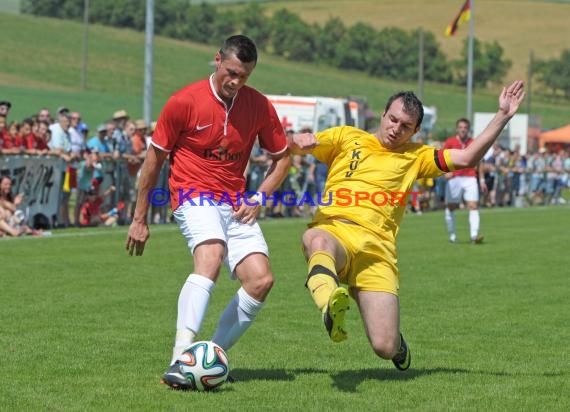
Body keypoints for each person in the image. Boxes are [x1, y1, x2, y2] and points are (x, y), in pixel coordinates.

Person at [288, 80, 524, 371]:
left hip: (377, 251)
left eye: (405, 126)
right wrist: (297, 140)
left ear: (415, 131)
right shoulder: (346, 137)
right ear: (383, 114)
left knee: (384, 347)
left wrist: (502, 115)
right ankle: (329, 304)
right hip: (337, 230)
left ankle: (397, 344)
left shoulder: (417, 155)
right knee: (317, 238)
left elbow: (467, 157)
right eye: (393, 119)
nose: (396, 129)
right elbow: (295, 146)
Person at [125, 35, 291, 389]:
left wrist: (259, 197)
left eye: (244, 76)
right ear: (217, 60)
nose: (236, 81)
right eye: (231, 72)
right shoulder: (184, 102)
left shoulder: (259, 106)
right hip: (191, 194)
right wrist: (139, 219)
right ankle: (179, 357)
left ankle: (206, 359)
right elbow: (153, 164)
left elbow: (283, 157)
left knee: (261, 281)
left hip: (236, 203)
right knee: (211, 257)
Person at [443, 118, 486, 244]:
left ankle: (474, 236)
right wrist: (446, 172)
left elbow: (480, 162)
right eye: (461, 127)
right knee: (451, 206)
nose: (463, 130)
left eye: (465, 127)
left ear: (468, 129)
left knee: (473, 205)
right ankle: (452, 236)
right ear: (457, 129)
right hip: (454, 178)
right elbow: (442, 157)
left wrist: (482, 180)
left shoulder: (474, 142)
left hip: (470, 177)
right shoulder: (450, 142)